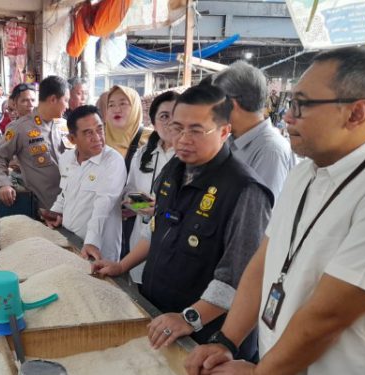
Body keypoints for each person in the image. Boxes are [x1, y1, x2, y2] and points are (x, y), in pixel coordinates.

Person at [184, 47, 365, 375]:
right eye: (290, 103)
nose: (288, 116)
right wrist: (226, 341)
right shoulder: (306, 172)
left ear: (356, 113)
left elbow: (327, 318)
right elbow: (263, 262)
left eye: (302, 105)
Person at [93, 84, 273, 361]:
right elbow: (158, 230)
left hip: (207, 336)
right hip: (161, 318)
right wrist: (122, 265)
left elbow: (240, 275)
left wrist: (190, 318)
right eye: (177, 128)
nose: (183, 139)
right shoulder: (172, 170)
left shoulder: (244, 189)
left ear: (224, 132)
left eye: (196, 130)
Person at [43, 105, 126, 262]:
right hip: (68, 243)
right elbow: (65, 193)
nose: (97, 137)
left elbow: (104, 203)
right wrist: (55, 212)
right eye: (88, 133)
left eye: (99, 129)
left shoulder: (113, 161)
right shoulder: (66, 159)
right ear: (72, 139)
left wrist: (91, 242)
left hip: (97, 251)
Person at [212, 61, 295, 198]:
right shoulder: (231, 141)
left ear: (232, 104)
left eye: (215, 102)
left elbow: (260, 212)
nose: (212, 110)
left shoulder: (270, 150)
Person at [121, 91, 178, 281]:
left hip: (174, 247)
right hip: (139, 244)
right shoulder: (143, 153)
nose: (171, 121)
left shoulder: (191, 156)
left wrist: (163, 210)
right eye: (164, 116)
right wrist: (140, 205)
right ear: (154, 122)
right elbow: (128, 191)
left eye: (176, 115)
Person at [0, 76, 69, 210]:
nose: (68, 106)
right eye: (66, 100)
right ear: (53, 100)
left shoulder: (64, 124)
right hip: (46, 209)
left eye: (32, 99)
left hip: (73, 203)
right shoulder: (19, 128)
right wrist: (3, 183)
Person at [104, 85, 151, 172]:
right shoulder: (99, 139)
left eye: (123, 103)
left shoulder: (151, 138)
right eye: (111, 105)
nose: (117, 109)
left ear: (135, 107)